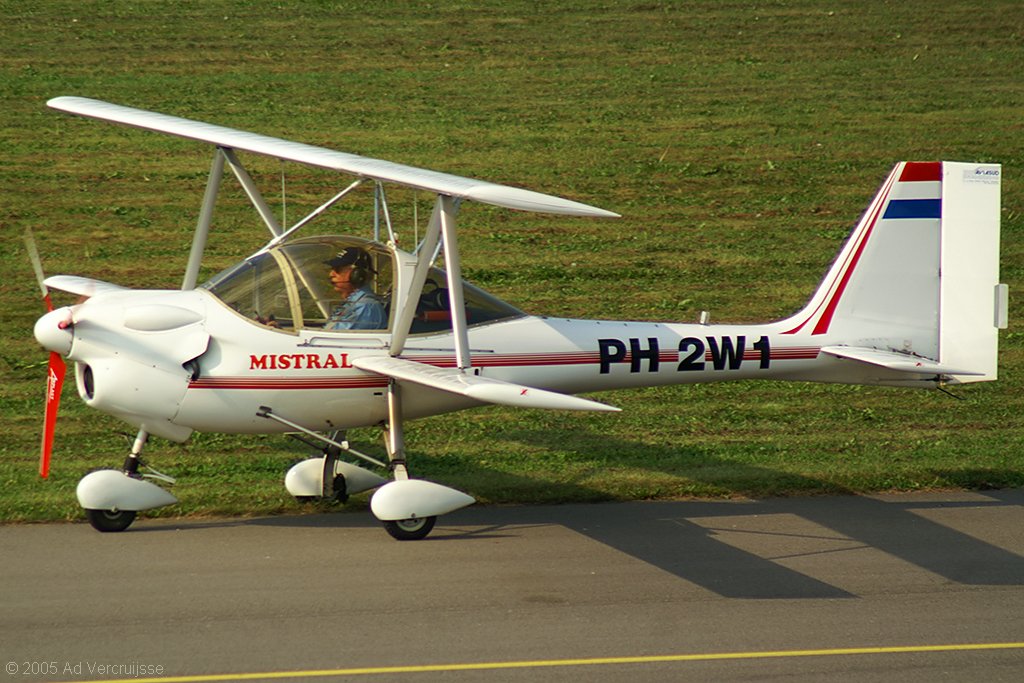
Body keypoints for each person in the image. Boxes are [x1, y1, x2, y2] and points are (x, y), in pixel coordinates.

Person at [324, 248, 387, 330]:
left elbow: (337, 336)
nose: (331, 274)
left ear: (357, 274)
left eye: (338, 269)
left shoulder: (365, 306)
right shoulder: (353, 303)